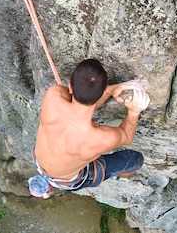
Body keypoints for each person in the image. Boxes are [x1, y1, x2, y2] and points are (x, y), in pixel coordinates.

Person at [29, 58, 150, 198]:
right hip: (71, 179)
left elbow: (79, 105)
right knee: (135, 160)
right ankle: (119, 175)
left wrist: (112, 90)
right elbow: (126, 137)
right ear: (103, 90)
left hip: (42, 158)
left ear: (70, 86)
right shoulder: (100, 138)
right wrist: (134, 111)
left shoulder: (53, 95)